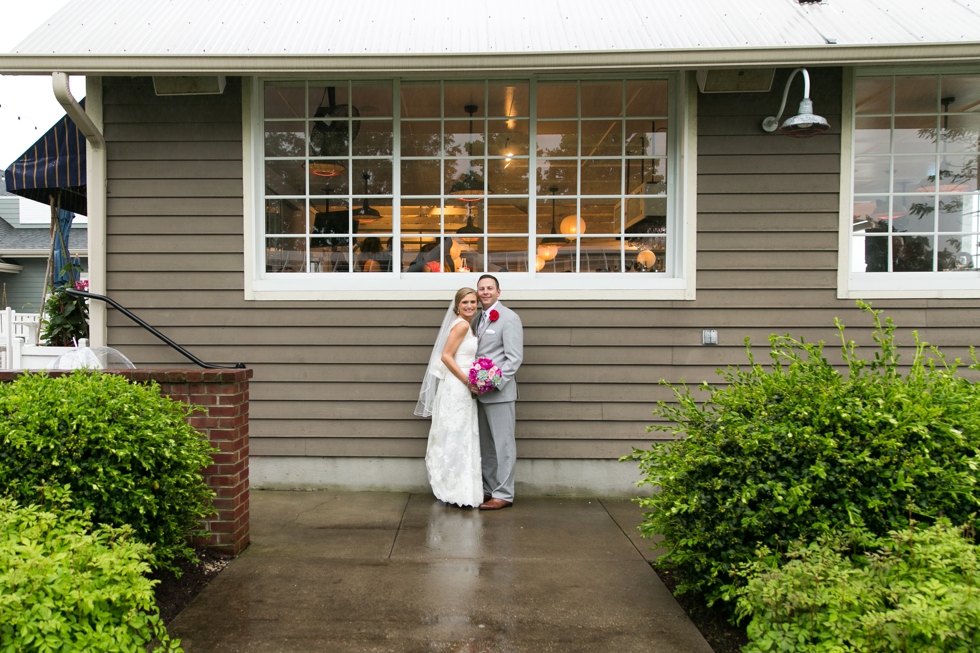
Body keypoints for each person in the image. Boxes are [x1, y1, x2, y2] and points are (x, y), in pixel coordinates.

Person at [415, 287, 483, 508]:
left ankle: (458, 488)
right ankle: (455, 489)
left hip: (460, 384)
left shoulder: (464, 324)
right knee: (456, 434)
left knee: (458, 434)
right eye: (465, 303)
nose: (470, 306)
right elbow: (446, 356)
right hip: (458, 386)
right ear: (457, 305)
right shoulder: (462, 325)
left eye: (473, 302)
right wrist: (467, 381)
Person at [470, 274, 524, 510]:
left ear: (498, 292)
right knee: (486, 446)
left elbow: (514, 359)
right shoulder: (476, 319)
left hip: (500, 393)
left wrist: (493, 382)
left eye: (489, 288)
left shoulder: (509, 318)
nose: (485, 292)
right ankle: (490, 490)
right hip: (478, 393)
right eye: (481, 288)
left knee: (503, 445)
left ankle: (504, 493)